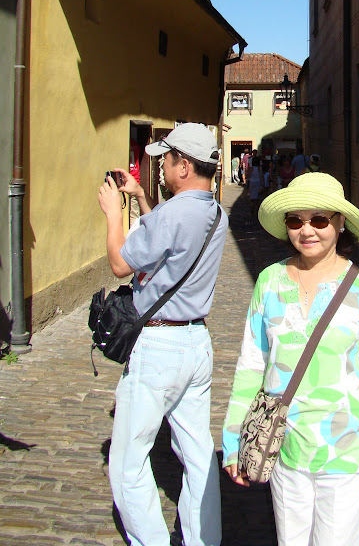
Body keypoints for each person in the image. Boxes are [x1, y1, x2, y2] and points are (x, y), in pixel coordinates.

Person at [222, 172, 359, 546]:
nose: (306, 231)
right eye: (295, 221)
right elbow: (251, 364)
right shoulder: (269, 281)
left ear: (340, 223)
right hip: (283, 449)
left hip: (346, 453)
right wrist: (234, 437)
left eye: (319, 220)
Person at [98, 123, 228, 546]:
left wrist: (113, 214)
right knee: (197, 454)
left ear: (184, 166)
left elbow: (120, 264)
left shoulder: (173, 214)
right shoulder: (216, 213)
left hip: (159, 347)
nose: (162, 168)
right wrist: (140, 195)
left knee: (128, 462)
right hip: (196, 343)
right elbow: (171, 239)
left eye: (166, 160)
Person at [246, 155, 262, 219]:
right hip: (258, 183)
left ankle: (252, 210)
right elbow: (261, 176)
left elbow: (248, 176)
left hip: (252, 183)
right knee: (257, 197)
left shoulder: (251, 168)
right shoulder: (259, 169)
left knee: (252, 197)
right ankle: (257, 210)